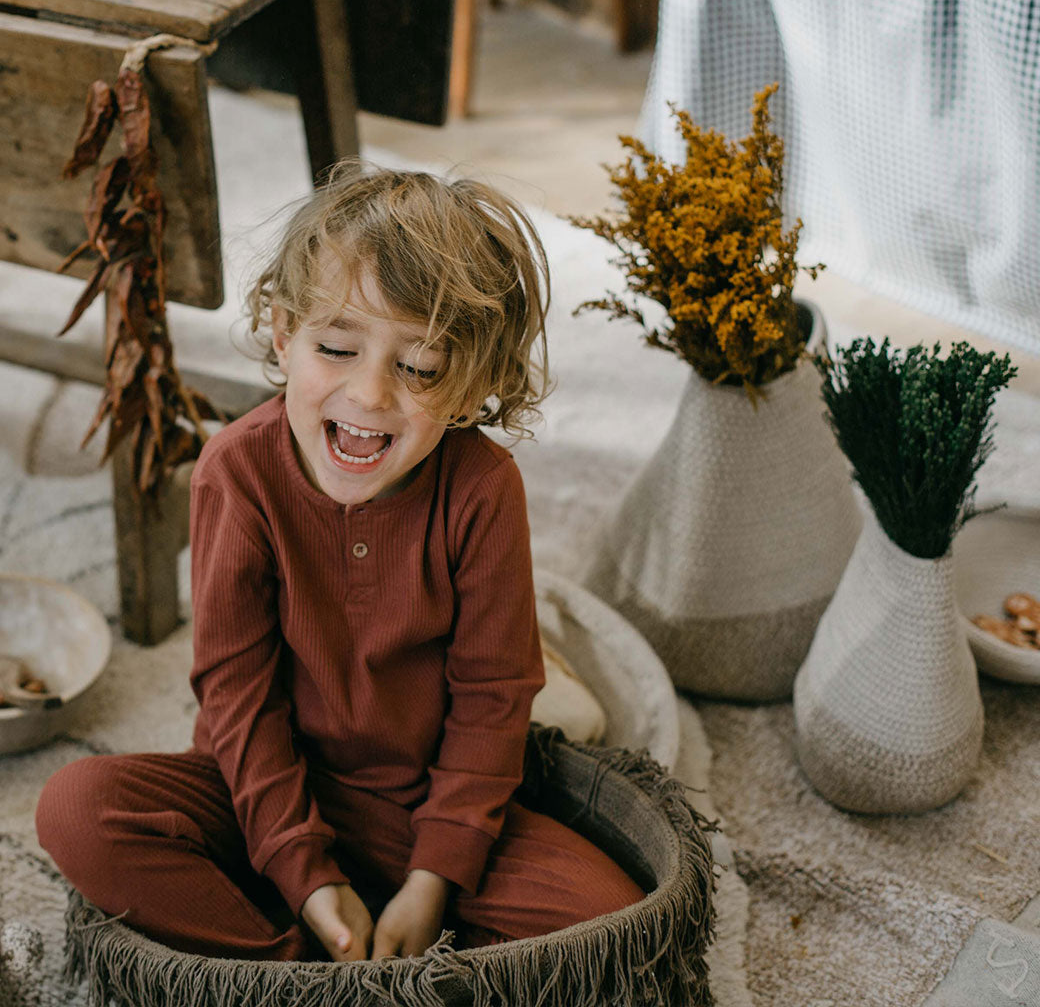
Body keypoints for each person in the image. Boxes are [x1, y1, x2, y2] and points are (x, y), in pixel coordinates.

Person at [36, 164, 644, 962]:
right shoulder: (236, 471)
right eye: (336, 347)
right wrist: (307, 877)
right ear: (285, 333)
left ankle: (359, 945)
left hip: (420, 805)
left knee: (616, 925)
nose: (371, 394)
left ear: (467, 386)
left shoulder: (484, 488)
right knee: (76, 809)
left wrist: (432, 881)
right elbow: (237, 697)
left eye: (420, 368)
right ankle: (294, 973)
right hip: (258, 796)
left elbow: (495, 698)